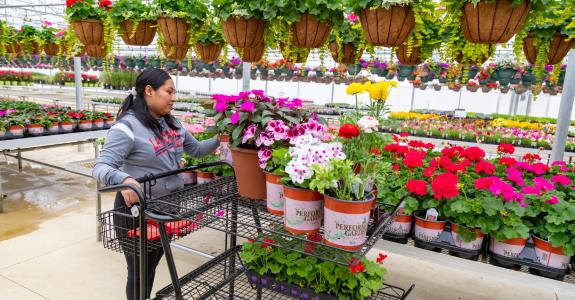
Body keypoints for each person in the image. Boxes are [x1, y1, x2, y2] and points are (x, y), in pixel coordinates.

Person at [93, 68, 220, 300]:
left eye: (175, 92)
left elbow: (198, 150)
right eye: (169, 92)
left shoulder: (172, 124)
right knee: (139, 272)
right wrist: (125, 180)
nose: (174, 98)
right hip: (137, 211)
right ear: (149, 91)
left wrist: (222, 136)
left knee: (151, 267)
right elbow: (101, 167)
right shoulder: (127, 127)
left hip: (168, 208)